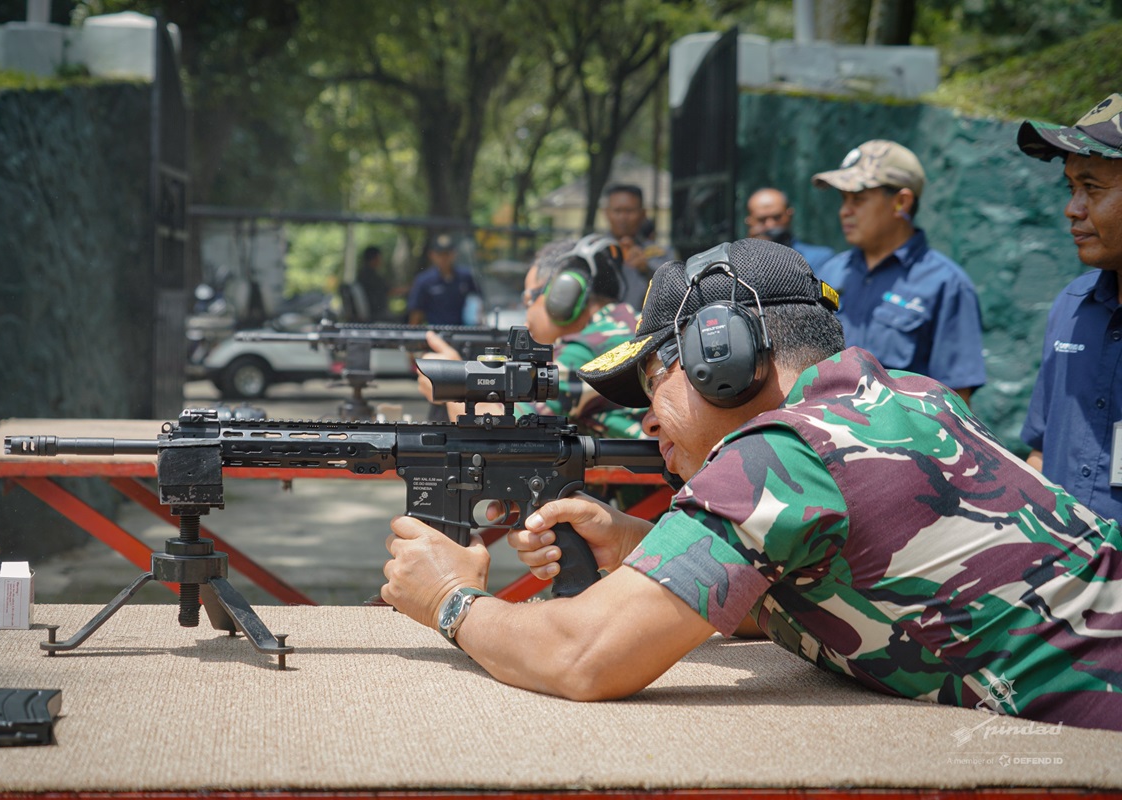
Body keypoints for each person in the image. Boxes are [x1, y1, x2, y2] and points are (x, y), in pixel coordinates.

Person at [381, 238, 1122, 732]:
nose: (645, 423)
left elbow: (583, 657)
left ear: (719, 358)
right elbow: (866, 598)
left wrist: (450, 599)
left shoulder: (785, 452)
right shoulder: (912, 397)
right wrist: (645, 547)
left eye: (651, 380)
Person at [810, 140, 986, 404]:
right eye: (844, 199)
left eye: (858, 199)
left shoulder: (946, 284)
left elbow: (955, 401)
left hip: (900, 444)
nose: (845, 211)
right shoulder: (831, 272)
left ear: (901, 202)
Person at [420, 234, 645, 440]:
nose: (526, 317)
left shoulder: (585, 351)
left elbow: (501, 434)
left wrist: (450, 384)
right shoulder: (631, 323)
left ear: (562, 295)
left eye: (529, 299)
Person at [1017, 93, 1122, 523]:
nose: (1072, 209)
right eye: (1071, 187)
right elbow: (1041, 451)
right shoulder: (1071, 306)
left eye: (1091, 188)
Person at [602, 184, 670, 311]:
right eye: (617, 211)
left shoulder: (659, 253)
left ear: (643, 214)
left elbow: (673, 289)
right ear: (606, 213)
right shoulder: (596, 252)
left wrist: (646, 269)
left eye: (629, 211)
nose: (623, 217)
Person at [745, 187, 834, 271]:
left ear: (789, 215)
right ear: (750, 222)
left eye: (777, 217)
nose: (770, 225)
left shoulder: (818, 259)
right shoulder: (740, 263)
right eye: (762, 220)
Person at [406, 233, 481, 326]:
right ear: (431, 255)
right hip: (436, 333)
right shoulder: (424, 280)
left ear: (454, 254)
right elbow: (416, 313)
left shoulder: (466, 277)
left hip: (464, 333)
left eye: (447, 254)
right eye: (440, 254)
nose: (444, 258)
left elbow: (478, 304)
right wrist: (415, 337)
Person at [355, 245, 391, 321]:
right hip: (376, 315)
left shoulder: (362, 274)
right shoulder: (371, 276)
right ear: (375, 258)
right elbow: (389, 291)